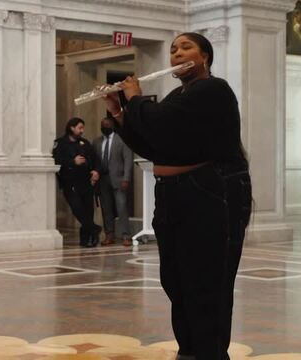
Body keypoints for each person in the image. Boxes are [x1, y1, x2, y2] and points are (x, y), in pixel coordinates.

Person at [102, 33, 252, 359]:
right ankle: (189, 351)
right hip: (176, 197)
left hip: (210, 196)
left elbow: (163, 122)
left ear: (205, 57)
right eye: (172, 49)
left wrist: (135, 98)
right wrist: (119, 115)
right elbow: (152, 143)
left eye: (186, 47)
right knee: (177, 281)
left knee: (206, 285)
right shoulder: (177, 96)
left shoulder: (213, 90)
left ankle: (209, 354)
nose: (177, 53)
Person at [53, 117, 102, 248]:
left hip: (86, 182)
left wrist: (96, 171)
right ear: (72, 128)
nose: (82, 131)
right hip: (70, 182)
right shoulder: (60, 143)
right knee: (77, 208)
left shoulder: (84, 143)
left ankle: (87, 239)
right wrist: (72, 162)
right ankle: (94, 228)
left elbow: (96, 159)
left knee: (88, 210)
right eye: (79, 128)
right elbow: (56, 161)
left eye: (82, 128)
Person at [93, 117, 134, 247]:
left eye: (106, 124)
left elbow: (128, 160)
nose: (104, 127)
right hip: (103, 180)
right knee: (106, 209)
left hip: (119, 179)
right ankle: (109, 234)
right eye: (102, 125)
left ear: (112, 125)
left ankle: (126, 236)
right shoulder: (97, 141)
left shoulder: (121, 139)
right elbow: (94, 160)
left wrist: (126, 178)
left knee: (121, 208)